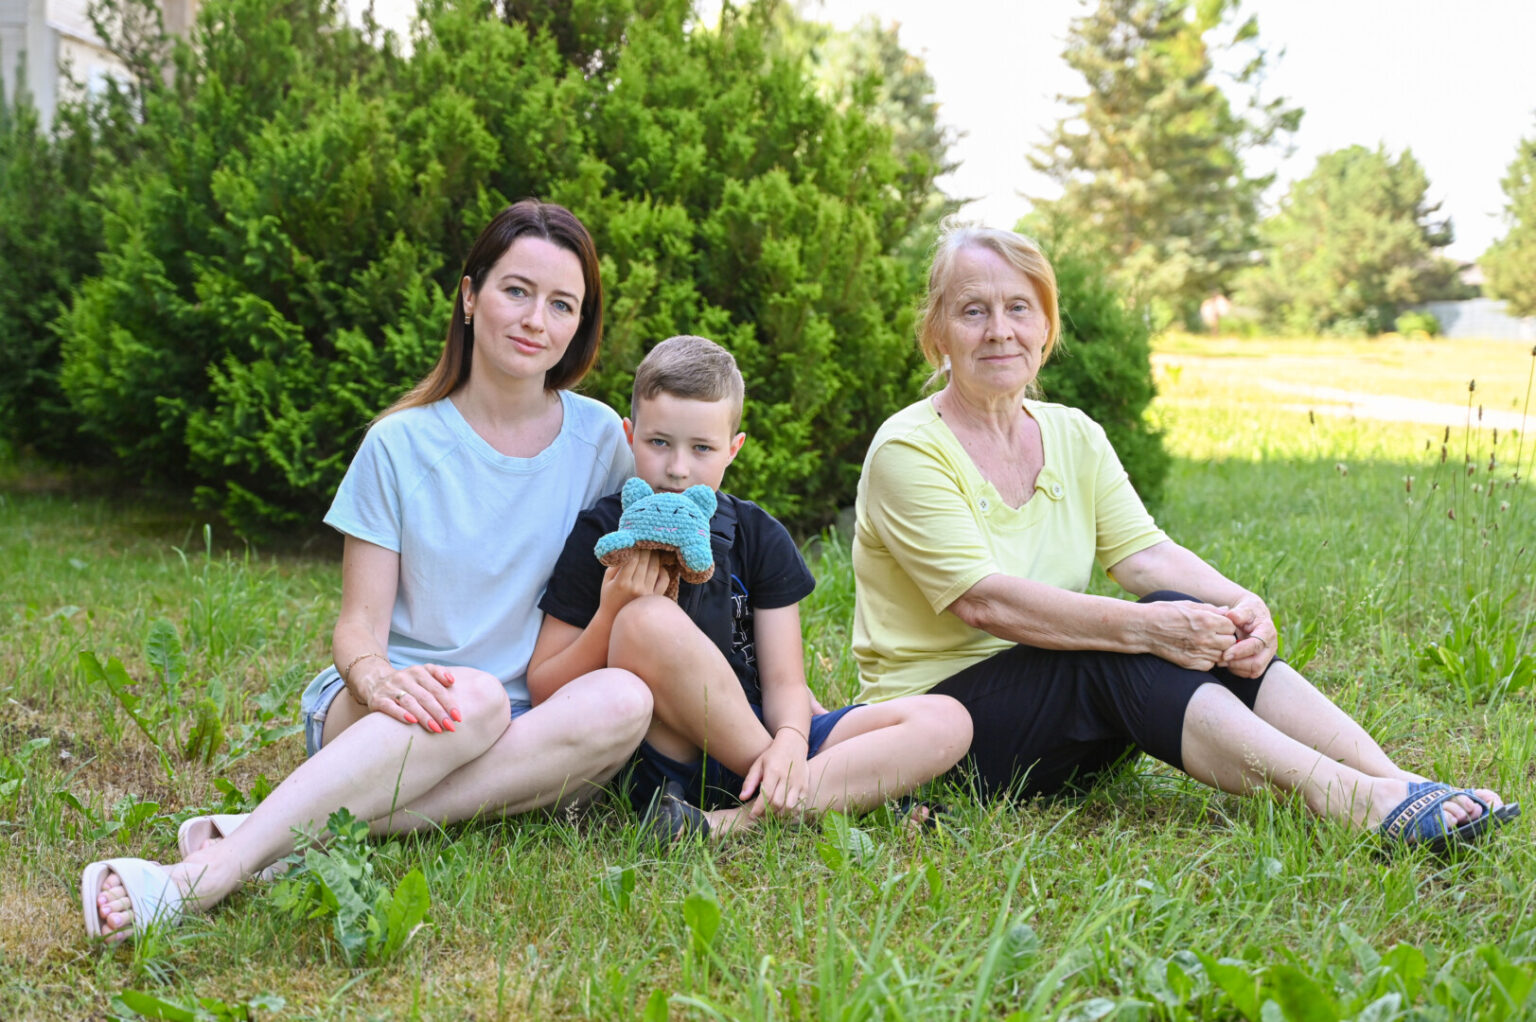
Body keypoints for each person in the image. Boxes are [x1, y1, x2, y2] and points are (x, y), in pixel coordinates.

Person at [83, 200, 654, 942]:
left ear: (581, 324)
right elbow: (357, 624)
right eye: (516, 290)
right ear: (469, 295)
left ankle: (284, 831)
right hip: (389, 710)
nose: (535, 319)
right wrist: (378, 680)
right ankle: (209, 874)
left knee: (624, 700)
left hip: (527, 723)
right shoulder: (400, 444)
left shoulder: (605, 442)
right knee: (471, 698)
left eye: (562, 304)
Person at [849, 222, 1518, 852]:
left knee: (1175, 612)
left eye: (1019, 308)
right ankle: (1345, 799)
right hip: (937, 739)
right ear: (938, 331)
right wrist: (1145, 630)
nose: (1000, 331)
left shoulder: (1072, 433)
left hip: (1059, 737)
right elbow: (984, 603)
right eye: (973, 311)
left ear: (1046, 324)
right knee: (1125, 637)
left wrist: (1239, 604)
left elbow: (1144, 554)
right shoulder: (909, 449)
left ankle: (1398, 783)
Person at [528, 335, 972, 840]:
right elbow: (544, 685)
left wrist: (787, 739)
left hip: (768, 729)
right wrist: (612, 612)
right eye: (658, 443)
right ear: (630, 436)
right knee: (644, 620)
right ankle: (841, 793)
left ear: (733, 448)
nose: (677, 468)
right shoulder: (603, 533)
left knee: (948, 719)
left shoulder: (759, 534)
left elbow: (786, 682)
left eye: (701, 448)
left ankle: (732, 822)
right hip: (674, 753)